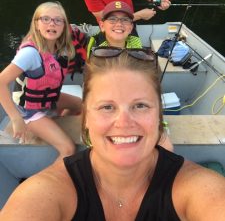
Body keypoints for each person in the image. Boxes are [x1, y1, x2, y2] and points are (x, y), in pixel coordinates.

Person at [1, 49, 225, 220]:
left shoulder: (199, 187)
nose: (124, 122)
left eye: (140, 106)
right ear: (86, 117)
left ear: (159, 116)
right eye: (107, 107)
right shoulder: (47, 192)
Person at [0, 1, 82, 159]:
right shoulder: (30, 54)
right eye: (45, 19)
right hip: (30, 111)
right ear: (36, 24)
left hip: (49, 100)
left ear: (64, 26)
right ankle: (55, 181)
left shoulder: (60, 48)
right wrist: (16, 119)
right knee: (68, 149)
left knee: (81, 105)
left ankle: (56, 122)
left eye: (58, 20)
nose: (52, 23)